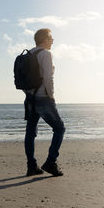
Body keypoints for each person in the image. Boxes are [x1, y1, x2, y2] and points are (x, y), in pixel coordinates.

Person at [24, 28, 65, 177]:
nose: (53, 41)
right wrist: (51, 95)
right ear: (45, 40)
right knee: (59, 128)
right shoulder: (46, 54)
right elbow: (48, 77)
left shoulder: (29, 54)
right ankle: (50, 162)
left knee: (30, 132)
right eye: (51, 39)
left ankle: (31, 166)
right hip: (43, 97)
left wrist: (30, 94)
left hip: (30, 97)